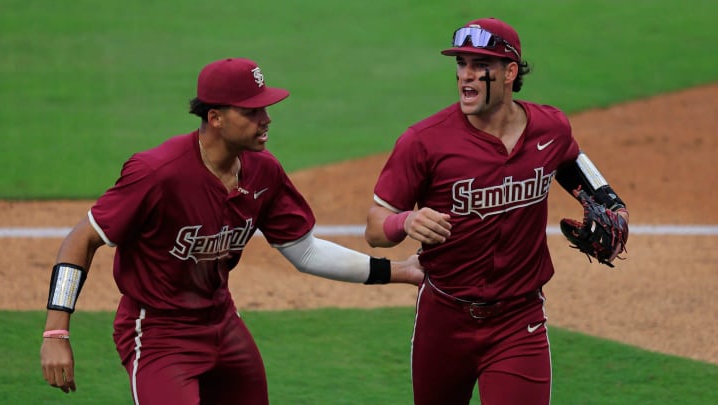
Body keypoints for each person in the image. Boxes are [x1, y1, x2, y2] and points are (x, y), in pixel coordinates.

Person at [39, 57, 424, 405]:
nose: (267, 119)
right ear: (216, 118)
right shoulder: (157, 173)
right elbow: (82, 239)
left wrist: (397, 271)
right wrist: (56, 333)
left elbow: (305, 252)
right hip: (158, 334)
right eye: (252, 111)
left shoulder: (263, 171)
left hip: (222, 321)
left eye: (266, 108)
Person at [365, 17, 630, 405]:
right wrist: (406, 220)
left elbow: (573, 163)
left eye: (480, 66)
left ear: (509, 72)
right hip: (444, 318)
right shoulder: (424, 142)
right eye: (460, 65)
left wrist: (614, 208)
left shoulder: (550, 127)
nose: (466, 77)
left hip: (518, 320)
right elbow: (374, 227)